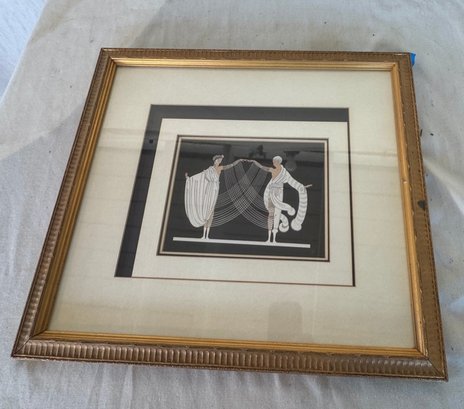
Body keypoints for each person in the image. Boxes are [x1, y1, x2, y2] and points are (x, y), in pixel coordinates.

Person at [249, 156, 310, 243]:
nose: (274, 163)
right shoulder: (272, 170)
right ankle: (268, 238)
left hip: (279, 194)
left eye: (275, 161)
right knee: (271, 215)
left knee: (277, 215)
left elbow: (293, 182)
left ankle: (274, 239)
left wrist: (301, 187)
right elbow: (262, 167)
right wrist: (255, 162)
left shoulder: (284, 173)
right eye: (273, 161)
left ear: (278, 162)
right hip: (271, 194)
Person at [184, 155, 242, 239]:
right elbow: (200, 176)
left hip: (214, 190)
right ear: (215, 161)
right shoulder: (209, 169)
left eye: (220, 160)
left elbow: (230, 165)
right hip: (208, 190)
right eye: (218, 160)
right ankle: (203, 235)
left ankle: (207, 236)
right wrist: (189, 179)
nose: (219, 162)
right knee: (207, 211)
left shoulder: (220, 168)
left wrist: (238, 161)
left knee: (211, 212)